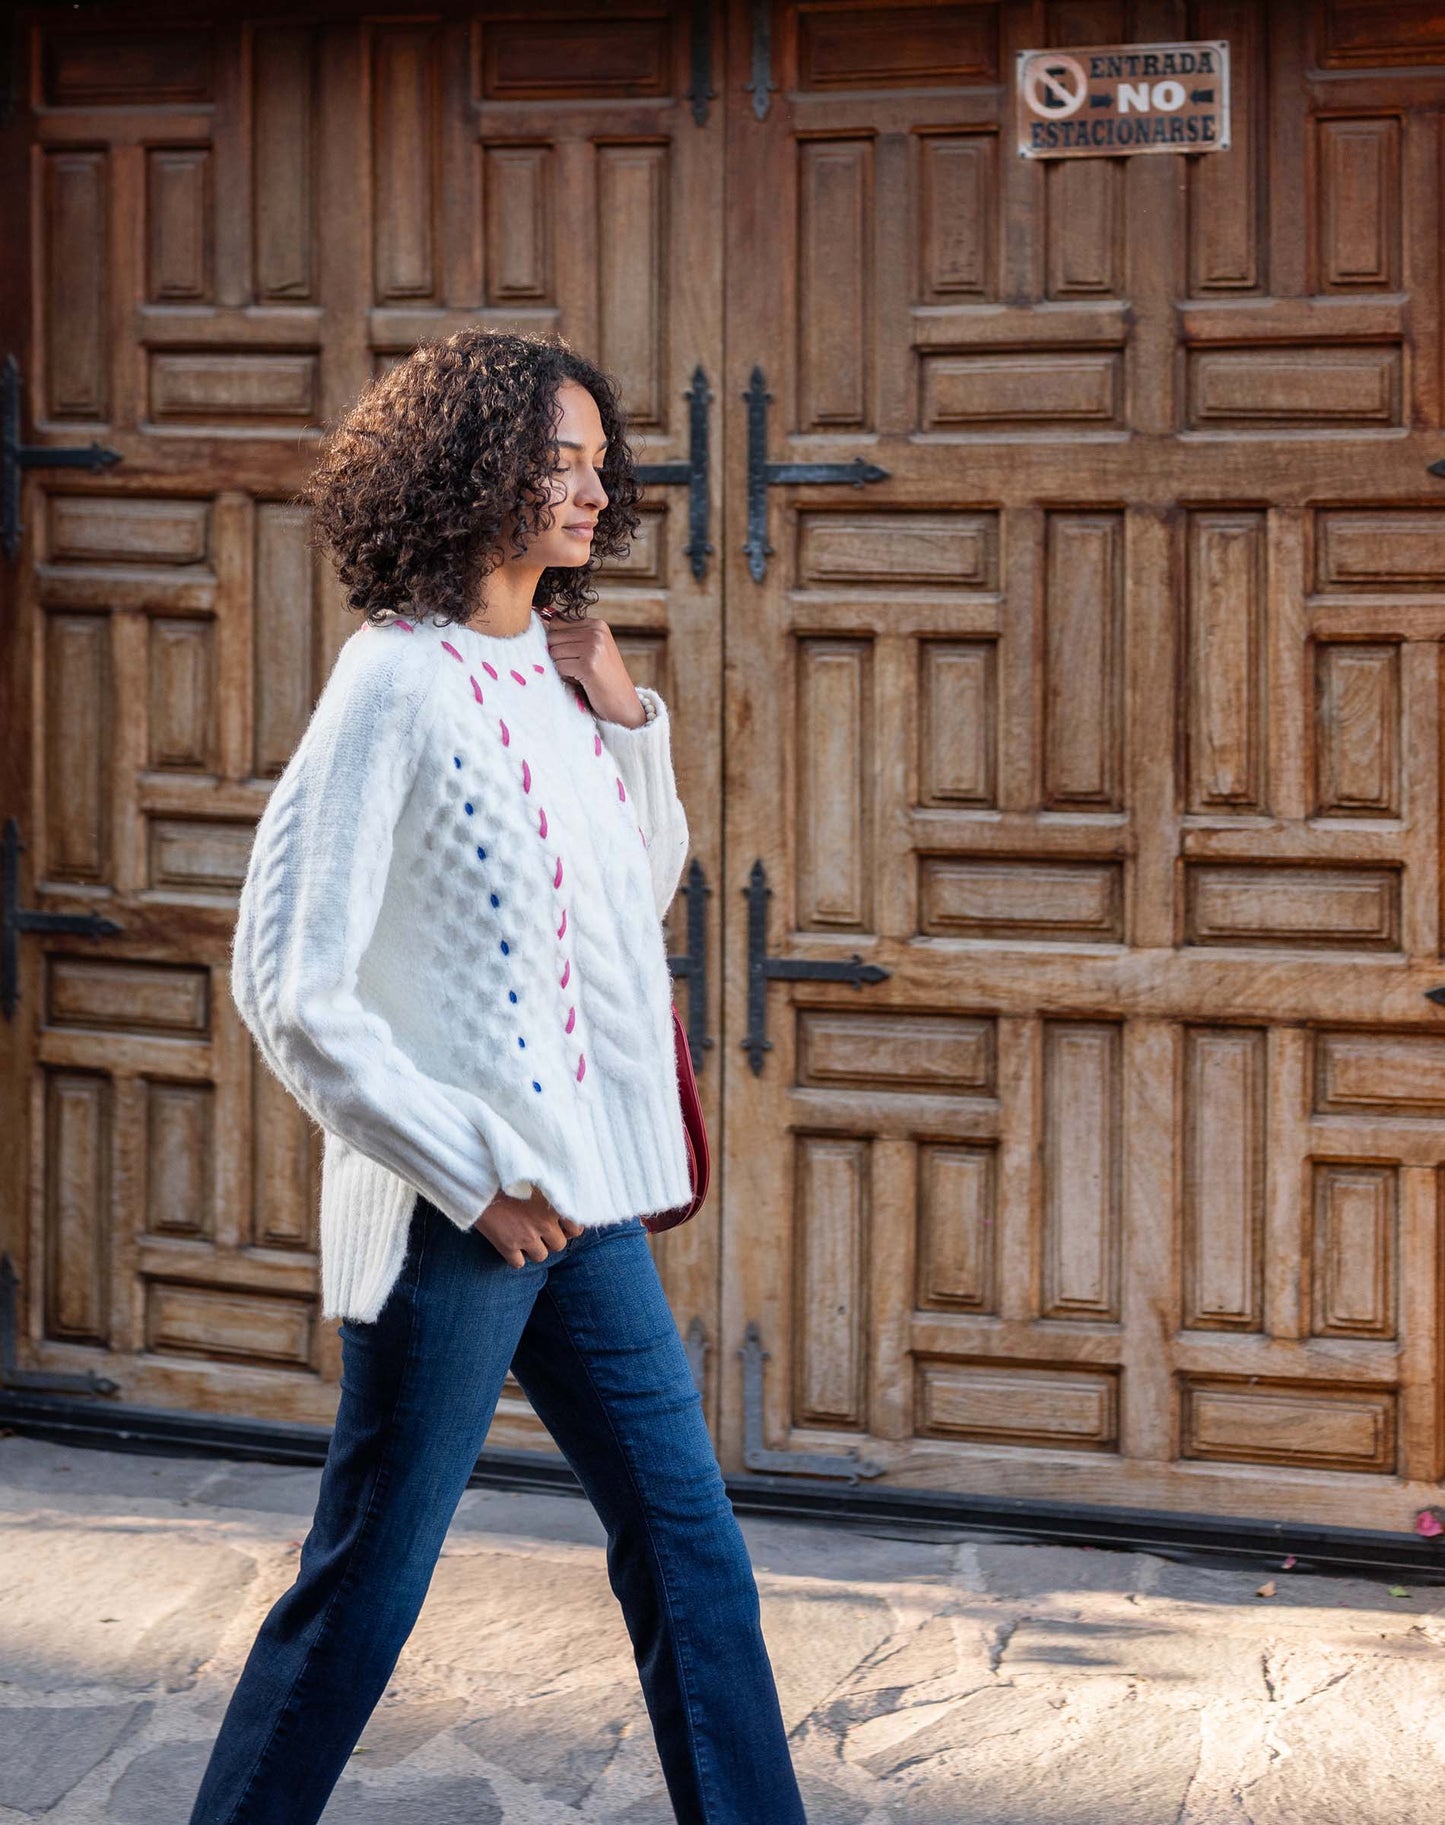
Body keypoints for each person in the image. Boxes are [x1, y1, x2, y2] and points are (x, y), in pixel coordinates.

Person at [188, 328, 806, 1825]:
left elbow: (629, 902)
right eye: (555, 463)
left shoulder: (555, 666)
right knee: (366, 1588)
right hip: (453, 1222)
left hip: (581, 1205)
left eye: (598, 463)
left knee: (690, 1545)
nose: (589, 491)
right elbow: (287, 981)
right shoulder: (393, 681)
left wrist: (627, 721)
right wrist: (471, 1174)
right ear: (468, 471)